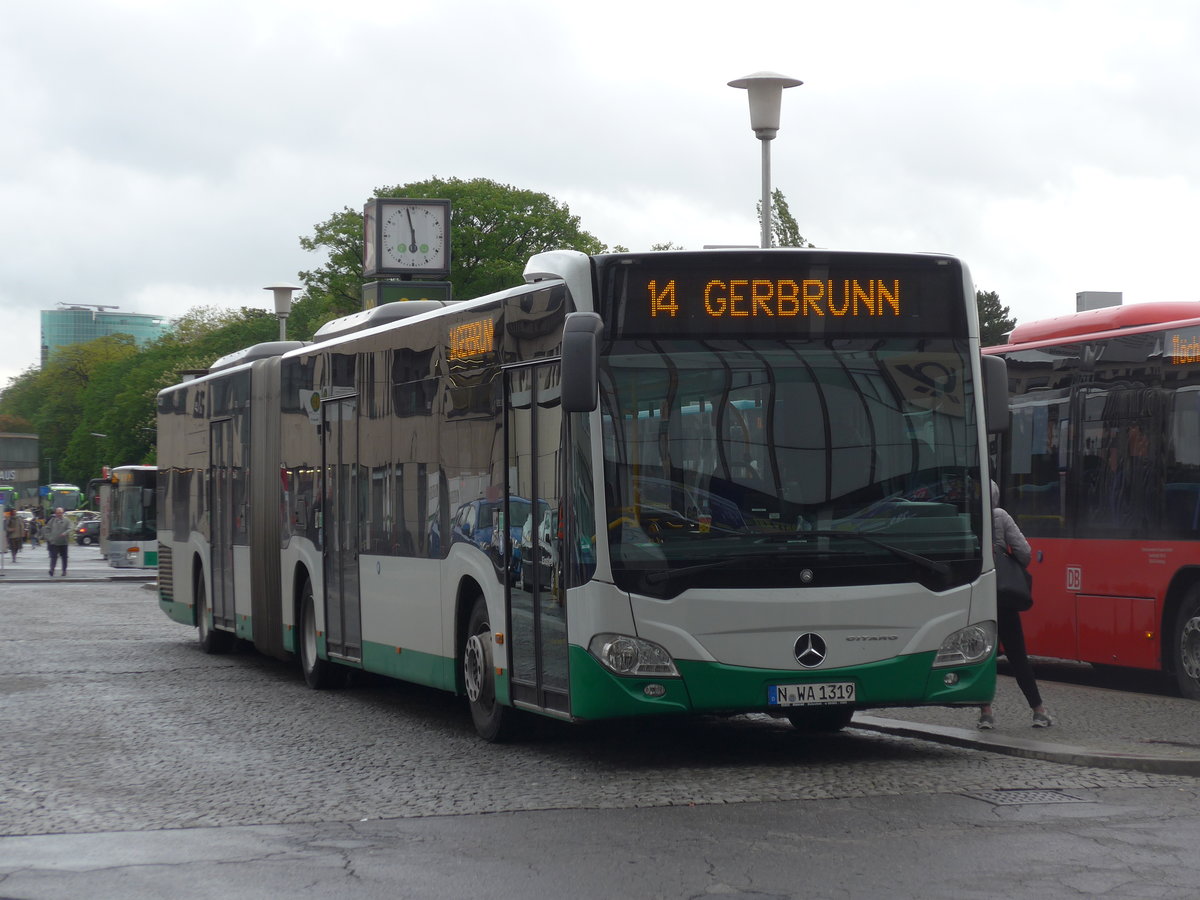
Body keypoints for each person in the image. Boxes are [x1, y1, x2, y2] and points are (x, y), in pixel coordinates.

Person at [978, 481, 1053, 729]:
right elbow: (1025, 552)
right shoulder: (1000, 516)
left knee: (983, 655)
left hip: (978, 596)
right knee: (1018, 655)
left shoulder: (969, 517)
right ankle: (1038, 711)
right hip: (1003, 597)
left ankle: (986, 713)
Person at [44, 507, 71, 577]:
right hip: (54, 542)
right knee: (53, 557)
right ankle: (52, 570)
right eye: (58, 513)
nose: (59, 514)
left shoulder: (67, 521)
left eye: (61, 513)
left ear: (63, 513)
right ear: (55, 513)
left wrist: (65, 533)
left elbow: (70, 528)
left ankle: (64, 570)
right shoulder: (52, 521)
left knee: (64, 557)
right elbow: (47, 529)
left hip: (64, 542)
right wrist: (49, 538)